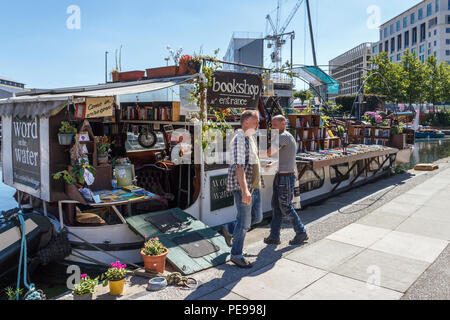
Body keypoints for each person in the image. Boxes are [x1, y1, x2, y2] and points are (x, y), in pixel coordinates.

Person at [222, 110, 264, 268]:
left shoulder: (249, 137)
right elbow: (239, 167)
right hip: (244, 187)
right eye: (256, 122)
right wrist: (245, 190)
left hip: (254, 186)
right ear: (246, 122)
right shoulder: (239, 139)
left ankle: (229, 228)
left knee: (257, 218)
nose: (258, 125)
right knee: (245, 223)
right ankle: (236, 255)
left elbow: (250, 161)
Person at [264, 115, 308, 246]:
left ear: (283, 123)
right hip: (282, 175)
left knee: (285, 206)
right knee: (277, 206)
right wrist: (272, 165)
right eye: (272, 125)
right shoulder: (286, 136)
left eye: (275, 125)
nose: (272, 127)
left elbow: (268, 152)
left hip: (285, 177)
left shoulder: (284, 137)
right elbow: (285, 157)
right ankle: (274, 235)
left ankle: (301, 232)